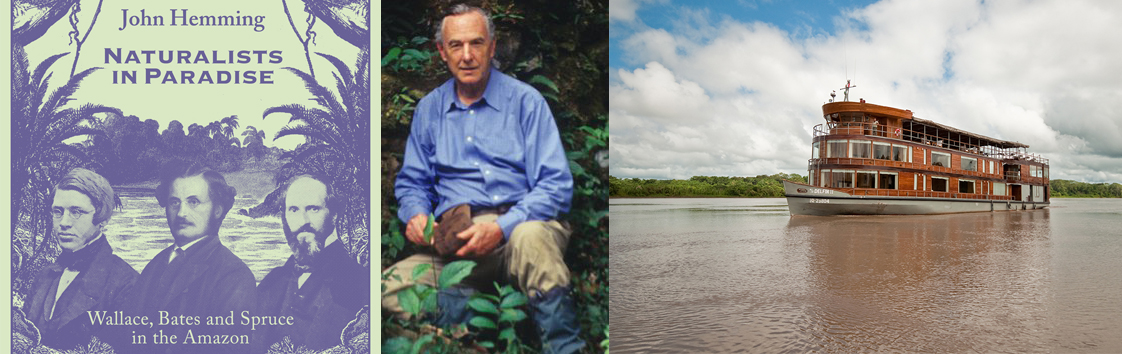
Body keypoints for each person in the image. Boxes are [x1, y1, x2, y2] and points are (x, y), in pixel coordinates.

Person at [382, 4, 584, 354]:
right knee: (385, 290)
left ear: (492, 47)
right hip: (459, 243)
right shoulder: (430, 110)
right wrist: (415, 214)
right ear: (441, 52)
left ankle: (565, 347)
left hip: (522, 229)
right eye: (456, 45)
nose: (467, 56)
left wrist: (502, 228)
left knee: (532, 237)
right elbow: (413, 183)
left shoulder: (526, 102)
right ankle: (484, 321)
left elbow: (556, 187)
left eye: (476, 43)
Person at [125, 163, 255, 354]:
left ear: (217, 210)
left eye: (193, 201)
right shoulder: (156, 264)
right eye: (174, 202)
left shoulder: (234, 275)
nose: (182, 213)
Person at [23, 168, 138, 350]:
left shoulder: (127, 284)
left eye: (76, 212)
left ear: (101, 217)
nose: (64, 222)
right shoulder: (44, 275)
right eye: (58, 211)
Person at [254, 175, 368, 353]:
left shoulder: (360, 282)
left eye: (313, 209)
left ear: (334, 215)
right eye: (293, 210)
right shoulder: (273, 281)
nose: (302, 221)